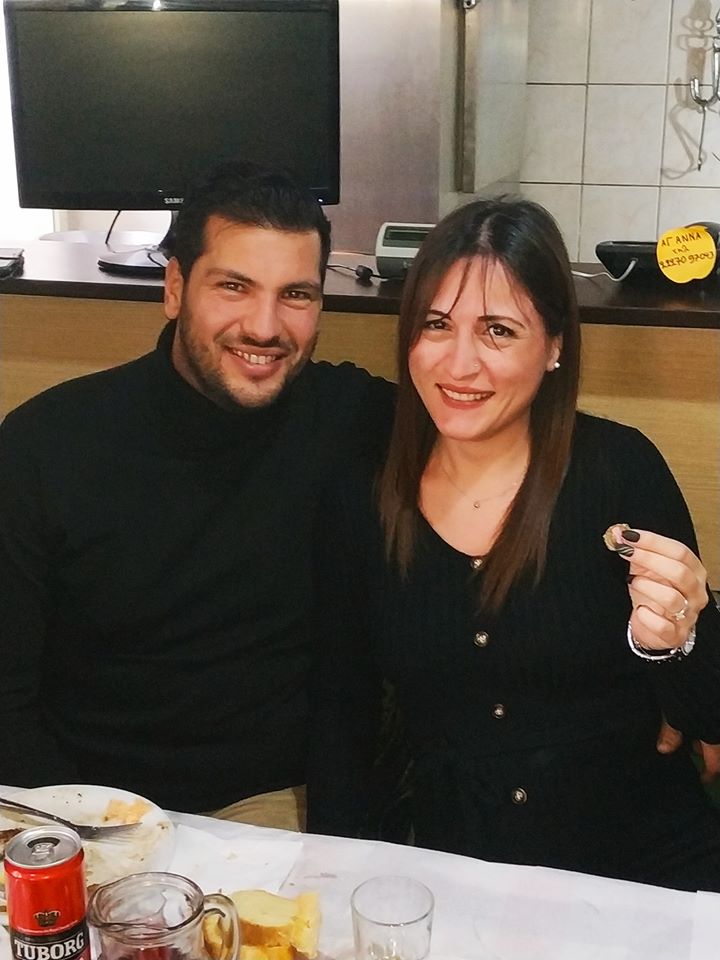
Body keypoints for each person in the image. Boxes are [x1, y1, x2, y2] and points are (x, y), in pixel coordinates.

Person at [307, 197, 720, 890]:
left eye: (497, 330)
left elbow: (705, 714)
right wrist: (331, 878)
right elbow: (341, 713)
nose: (459, 363)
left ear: (554, 345)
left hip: (640, 861)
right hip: (461, 867)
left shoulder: (620, 471)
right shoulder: (363, 496)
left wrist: (682, 638)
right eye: (436, 324)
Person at [0, 162, 393, 827]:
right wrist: (77, 836)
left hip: (269, 807)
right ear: (176, 288)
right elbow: (6, 697)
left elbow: (493, 418)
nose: (264, 327)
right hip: (81, 803)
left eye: (296, 294)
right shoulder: (46, 445)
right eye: (234, 286)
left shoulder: (347, 418)